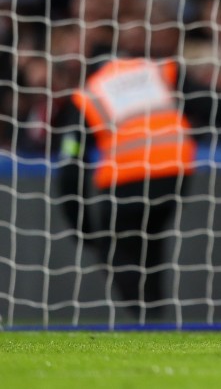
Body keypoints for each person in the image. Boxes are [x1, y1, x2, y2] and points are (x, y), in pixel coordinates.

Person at [53, 38, 197, 322]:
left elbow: (70, 166)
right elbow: (209, 101)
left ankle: (147, 312)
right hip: (177, 170)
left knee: (113, 246)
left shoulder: (89, 94)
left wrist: (81, 229)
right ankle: (156, 317)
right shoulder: (157, 69)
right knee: (150, 240)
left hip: (128, 177)